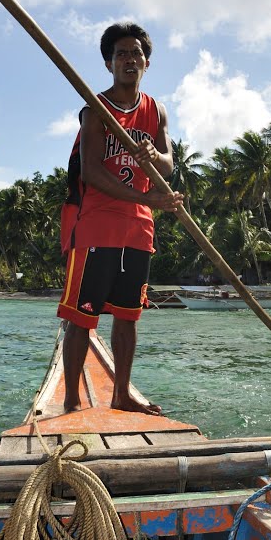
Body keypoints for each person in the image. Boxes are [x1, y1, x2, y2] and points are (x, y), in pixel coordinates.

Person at [57, 22, 183, 415]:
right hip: (96, 225)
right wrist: (147, 196)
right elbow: (92, 172)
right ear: (109, 63)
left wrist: (151, 157)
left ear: (147, 62)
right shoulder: (96, 110)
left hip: (138, 229)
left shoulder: (155, 110)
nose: (130, 60)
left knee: (128, 317)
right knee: (83, 317)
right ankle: (73, 400)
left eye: (136, 54)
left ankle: (121, 393)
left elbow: (169, 162)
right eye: (122, 54)